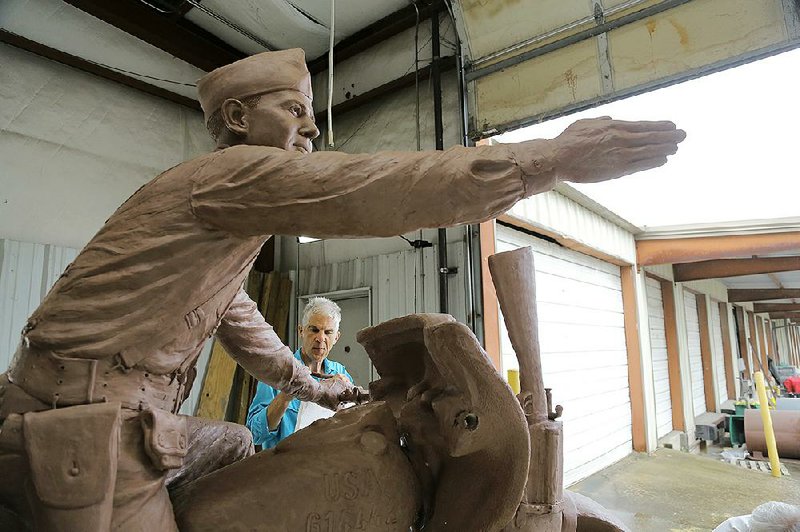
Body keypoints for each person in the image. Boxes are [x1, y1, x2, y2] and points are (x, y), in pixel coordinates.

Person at [0, 47, 685, 531]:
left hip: (113, 409)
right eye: (293, 108)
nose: (311, 126)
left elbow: (241, 323)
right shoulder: (229, 177)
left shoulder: (219, 232)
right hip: (86, 424)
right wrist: (550, 159)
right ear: (237, 118)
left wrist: (319, 386)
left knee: (237, 447)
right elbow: (368, 188)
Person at [247, 297, 352, 449]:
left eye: (328, 332)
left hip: (325, 465)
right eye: (314, 330)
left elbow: (350, 425)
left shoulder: (340, 373)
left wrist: (347, 400)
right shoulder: (279, 372)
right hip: (285, 467)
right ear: (301, 331)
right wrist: (285, 397)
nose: (320, 338)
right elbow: (254, 434)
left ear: (336, 337)